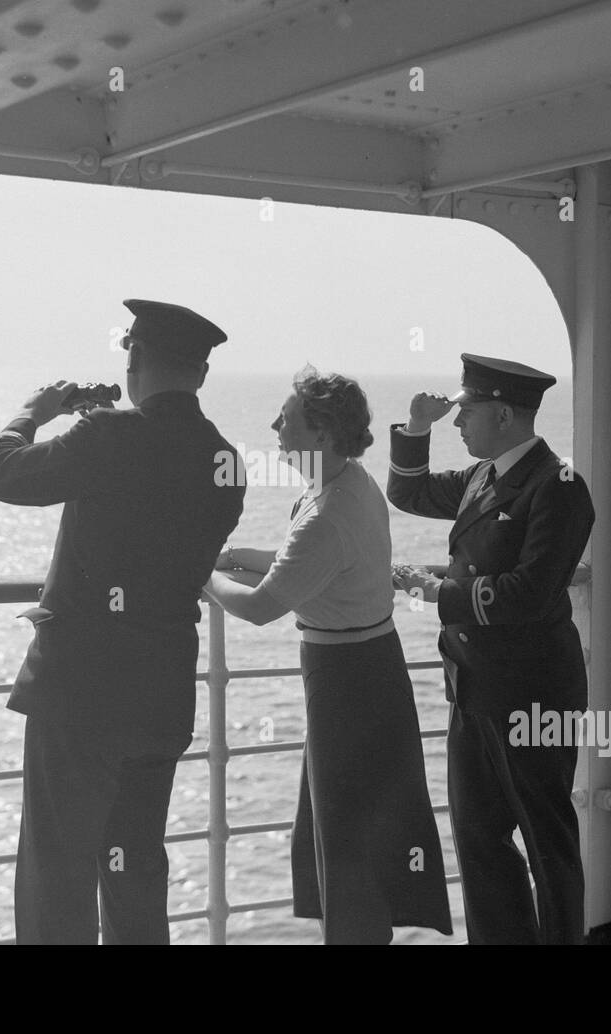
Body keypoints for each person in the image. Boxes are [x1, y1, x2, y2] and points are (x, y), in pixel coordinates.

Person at [0, 299, 245, 944]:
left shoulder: (108, 436)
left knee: (57, 872)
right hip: (160, 692)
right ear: (201, 375)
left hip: (79, 694)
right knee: (135, 868)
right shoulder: (227, 462)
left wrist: (35, 412)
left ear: (133, 356)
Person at [204, 366, 452, 944]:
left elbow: (266, 605)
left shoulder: (327, 512)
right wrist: (239, 554)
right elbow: (308, 564)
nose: (273, 427)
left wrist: (203, 576)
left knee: (347, 841)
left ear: (320, 434)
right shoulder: (345, 483)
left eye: (286, 419)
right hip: (367, 671)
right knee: (356, 834)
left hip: (346, 684)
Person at [387, 354, 594, 945]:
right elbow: (409, 491)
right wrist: (417, 429)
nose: (460, 424)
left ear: (503, 413)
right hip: (475, 685)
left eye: (466, 412)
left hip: (532, 691)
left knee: (546, 839)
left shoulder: (560, 487)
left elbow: (531, 593)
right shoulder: (483, 477)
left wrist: (440, 593)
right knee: (479, 838)